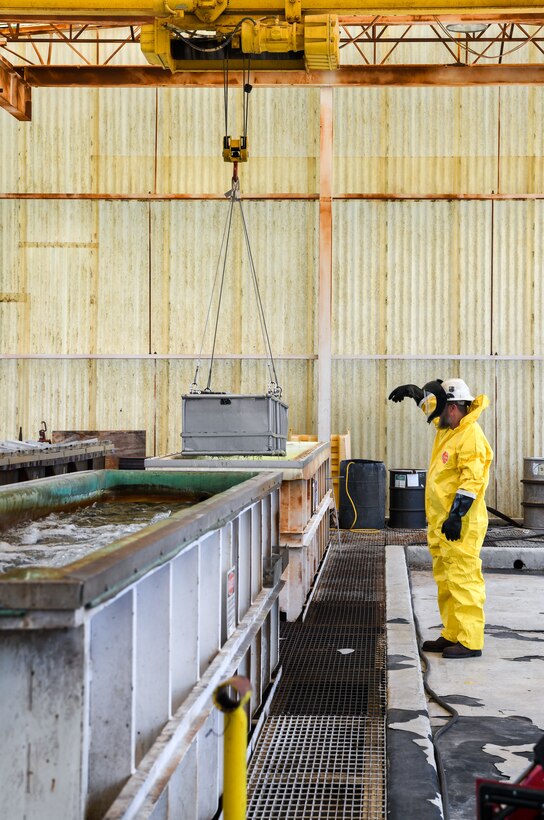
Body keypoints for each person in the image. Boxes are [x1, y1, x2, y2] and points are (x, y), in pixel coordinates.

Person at [388, 378, 493, 659]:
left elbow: (472, 481)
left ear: (456, 407)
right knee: (446, 579)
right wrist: (416, 395)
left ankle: (470, 641)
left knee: (463, 579)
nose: (438, 417)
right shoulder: (450, 428)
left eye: (443, 410)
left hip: (462, 523)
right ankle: (452, 633)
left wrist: (457, 515)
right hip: (442, 523)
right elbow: (433, 411)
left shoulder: (470, 436)